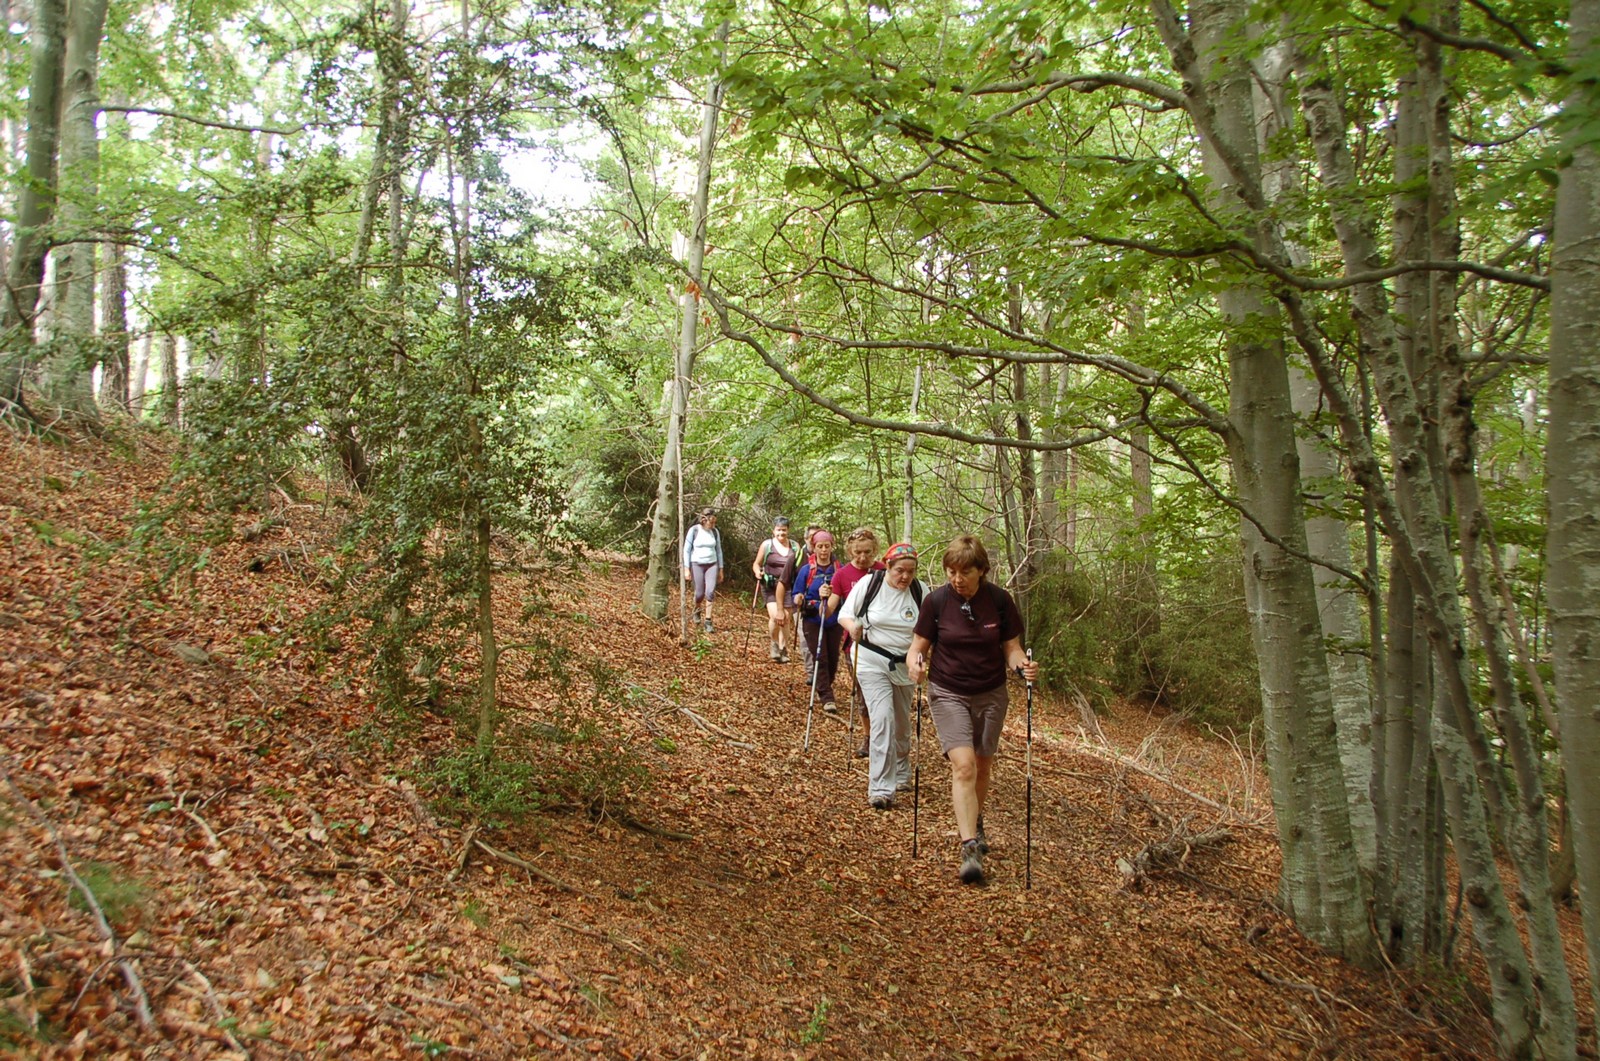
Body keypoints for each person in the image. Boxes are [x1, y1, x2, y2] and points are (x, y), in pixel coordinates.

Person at [907, 535, 1039, 886]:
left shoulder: (999, 601)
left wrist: (1022, 666)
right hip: (947, 691)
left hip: (991, 693)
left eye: (964, 572)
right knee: (963, 765)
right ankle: (969, 847)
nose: (957, 579)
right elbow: (917, 647)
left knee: (982, 764)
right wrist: (915, 665)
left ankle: (975, 821)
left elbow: (1011, 648)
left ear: (981, 570)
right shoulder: (936, 601)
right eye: (951, 571)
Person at [839, 542, 927, 810]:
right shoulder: (870, 584)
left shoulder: (920, 591)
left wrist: (924, 659)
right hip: (870, 660)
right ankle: (880, 788)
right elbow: (845, 614)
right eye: (900, 570)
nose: (905, 576)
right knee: (882, 719)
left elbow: (930, 630)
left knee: (901, 722)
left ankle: (901, 769)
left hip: (904, 665)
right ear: (887, 566)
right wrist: (853, 626)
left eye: (910, 571)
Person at [828, 527, 885, 758]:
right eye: (857, 552)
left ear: (875, 550)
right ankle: (869, 737)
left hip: (884, 644)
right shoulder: (842, 575)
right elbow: (829, 610)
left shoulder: (884, 570)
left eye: (867, 552)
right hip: (855, 645)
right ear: (850, 551)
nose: (862, 557)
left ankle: (884, 736)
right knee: (863, 694)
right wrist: (821, 598)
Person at [791, 530, 843, 711]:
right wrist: (798, 599)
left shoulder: (839, 569)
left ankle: (824, 684)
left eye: (827, 546)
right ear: (814, 548)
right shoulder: (807, 570)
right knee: (820, 656)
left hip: (834, 619)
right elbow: (796, 592)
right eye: (820, 546)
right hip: (812, 618)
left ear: (832, 547)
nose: (823, 550)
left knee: (833, 658)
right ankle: (826, 696)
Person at [752, 517, 797, 662]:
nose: (781, 533)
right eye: (778, 530)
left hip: (788, 587)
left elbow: (799, 566)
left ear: (788, 530)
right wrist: (757, 572)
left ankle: (784, 648)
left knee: (786, 619)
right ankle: (774, 643)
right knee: (776, 616)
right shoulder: (767, 545)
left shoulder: (794, 546)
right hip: (770, 586)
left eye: (784, 530)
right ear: (773, 530)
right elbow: (757, 563)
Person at [681, 508, 725, 633]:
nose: (713, 525)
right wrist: (686, 568)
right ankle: (697, 609)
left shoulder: (715, 532)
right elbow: (686, 550)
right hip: (697, 564)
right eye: (711, 522)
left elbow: (718, 550)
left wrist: (721, 569)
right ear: (704, 520)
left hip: (712, 564)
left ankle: (708, 620)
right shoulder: (694, 530)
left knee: (710, 592)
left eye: (714, 522)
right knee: (699, 593)